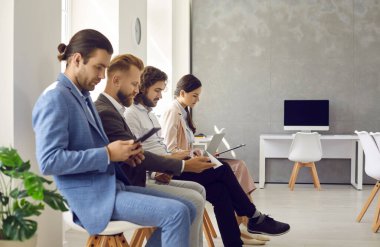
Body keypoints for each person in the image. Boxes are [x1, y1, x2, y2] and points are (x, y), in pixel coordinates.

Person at [32, 29, 199, 247]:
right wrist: (108, 153)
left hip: (110, 187)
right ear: (77, 59)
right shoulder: (56, 98)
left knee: (190, 208)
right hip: (91, 198)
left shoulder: (82, 97)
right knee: (176, 213)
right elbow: (49, 161)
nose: (103, 75)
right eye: (99, 67)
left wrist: (123, 155)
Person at [125, 66, 290, 247]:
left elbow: (162, 150)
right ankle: (254, 217)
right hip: (162, 171)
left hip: (169, 165)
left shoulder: (151, 115)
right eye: (157, 90)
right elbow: (139, 156)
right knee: (223, 170)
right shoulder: (134, 115)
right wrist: (168, 165)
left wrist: (189, 154)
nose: (160, 96)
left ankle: (236, 241)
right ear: (142, 87)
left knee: (221, 192)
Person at [94, 53, 215, 247]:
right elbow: (136, 155)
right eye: (134, 85)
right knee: (187, 205)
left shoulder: (115, 110)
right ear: (116, 80)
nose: (137, 90)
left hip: (136, 178)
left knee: (194, 198)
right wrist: (182, 165)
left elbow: (134, 154)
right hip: (122, 187)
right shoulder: (107, 112)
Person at [160, 74, 256, 196]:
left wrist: (201, 152)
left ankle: (246, 210)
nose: (197, 99)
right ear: (183, 93)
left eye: (198, 96)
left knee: (238, 165)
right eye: (195, 95)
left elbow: (186, 146)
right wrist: (194, 154)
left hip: (189, 160)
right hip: (181, 168)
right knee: (231, 170)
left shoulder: (183, 112)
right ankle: (247, 210)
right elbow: (170, 149)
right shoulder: (172, 112)